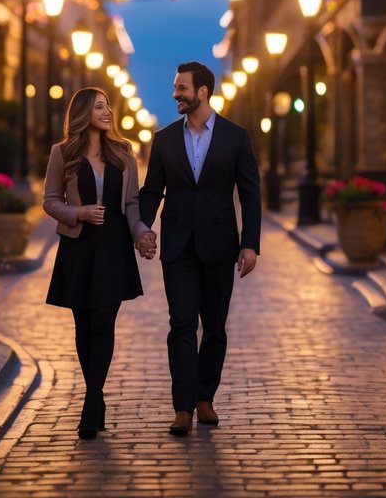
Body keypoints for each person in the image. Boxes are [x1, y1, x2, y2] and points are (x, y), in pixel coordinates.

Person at [139, 61, 261, 436]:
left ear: (202, 91)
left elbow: (251, 194)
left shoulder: (235, 137)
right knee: (181, 324)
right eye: (176, 88)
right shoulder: (164, 139)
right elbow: (151, 191)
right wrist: (143, 228)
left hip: (220, 245)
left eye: (182, 88)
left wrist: (250, 244)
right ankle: (183, 408)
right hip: (178, 246)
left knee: (215, 328)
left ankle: (205, 397)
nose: (176, 94)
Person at [43, 87, 157, 439]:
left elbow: (133, 204)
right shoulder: (62, 153)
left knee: (104, 324)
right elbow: (50, 200)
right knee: (83, 327)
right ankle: (97, 398)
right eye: (99, 107)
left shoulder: (123, 153)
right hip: (79, 248)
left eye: (108, 106)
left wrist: (141, 233)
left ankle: (91, 402)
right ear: (82, 113)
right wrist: (77, 212)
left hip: (112, 249)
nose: (107, 112)